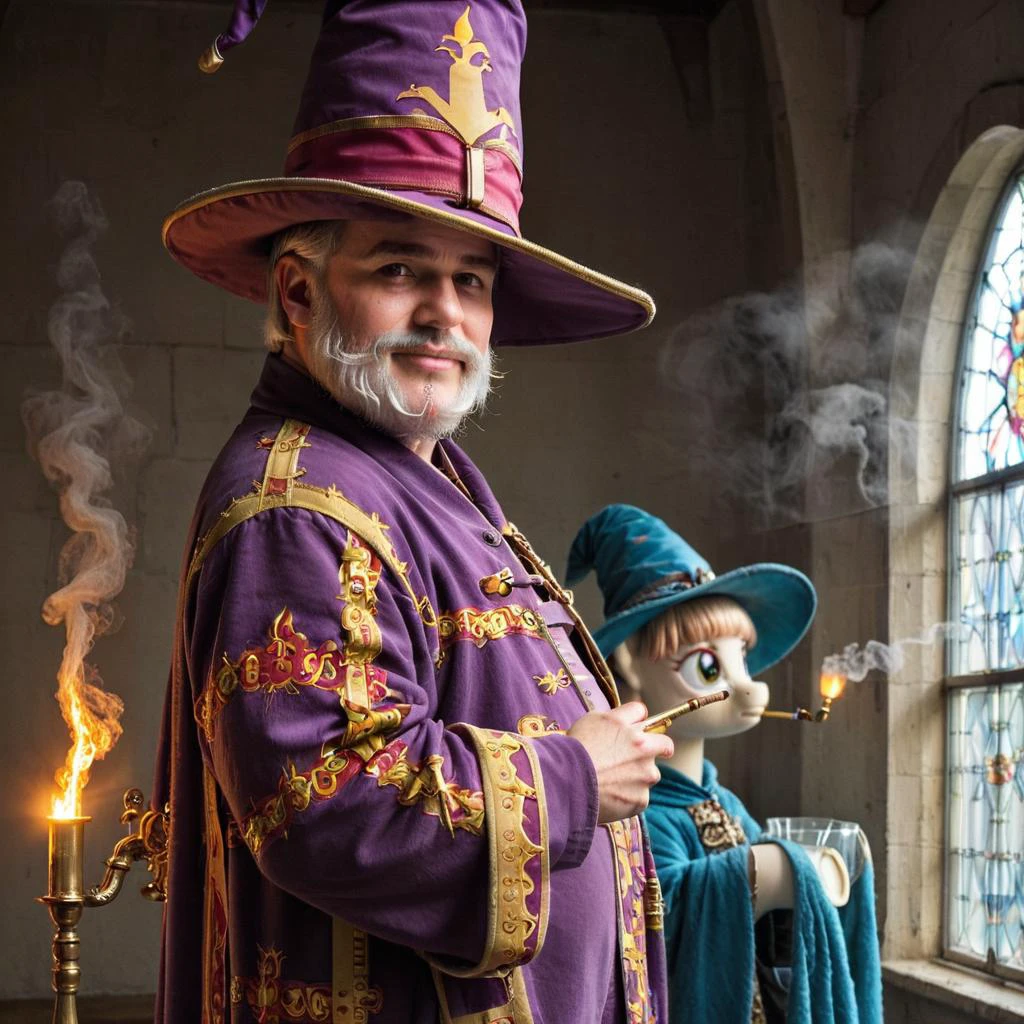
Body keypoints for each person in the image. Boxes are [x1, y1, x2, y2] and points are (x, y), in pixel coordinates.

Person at [154, 3, 672, 1023]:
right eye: (399, 269)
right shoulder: (296, 507)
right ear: (297, 293)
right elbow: (325, 803)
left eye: (471, 280)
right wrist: (573, 777)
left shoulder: (413, 473)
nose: (445, 314)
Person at [566, 504, 883, 1024]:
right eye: (709, 666)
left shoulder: (723, 801)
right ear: (629, 665)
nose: (747, 684)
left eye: (742, 658)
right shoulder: (630, 815)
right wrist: (773, 870)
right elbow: (647, 915)